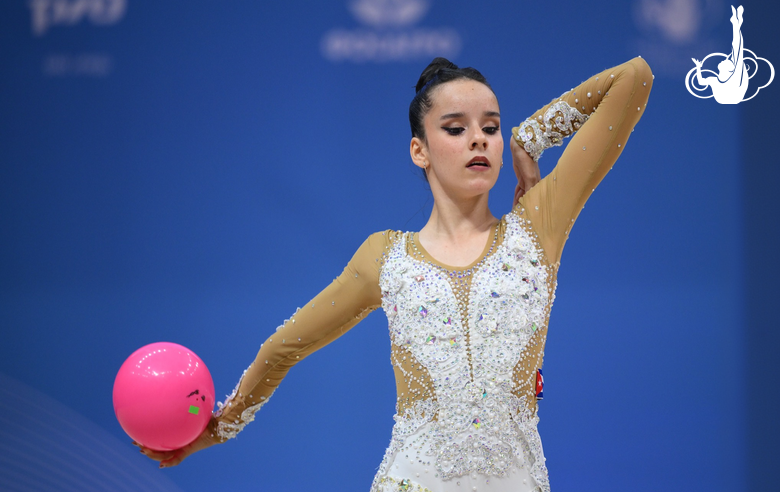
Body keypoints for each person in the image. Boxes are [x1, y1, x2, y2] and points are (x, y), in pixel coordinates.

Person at [137, 55, 653, 492]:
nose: (479, 140)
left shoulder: (538, 226)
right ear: (419, 150)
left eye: (491, 127)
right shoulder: (385, 258)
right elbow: (282, 349)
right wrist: (219, 429)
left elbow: (636, 77)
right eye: (456, 128)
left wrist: (530, 139)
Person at [692, 5, 748, 104]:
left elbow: (737, 47)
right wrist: (698, 67)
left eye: (728, 61)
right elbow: (701, 82)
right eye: (728, 60)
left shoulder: (734, 79)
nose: (725, 59)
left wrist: (736, 25)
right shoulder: (714, 80)